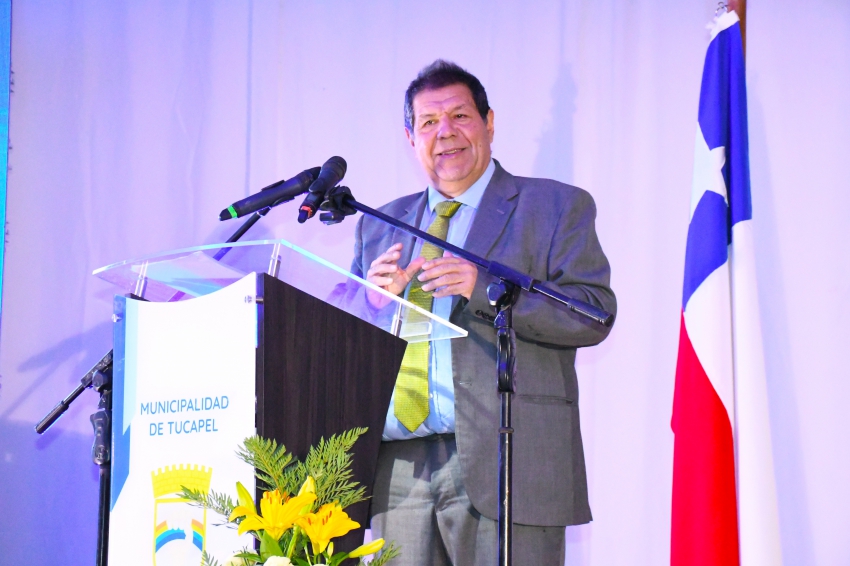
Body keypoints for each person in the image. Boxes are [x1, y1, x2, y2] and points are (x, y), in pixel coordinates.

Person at [349, 59, 616, 565]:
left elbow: (592, 313)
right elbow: (344, 343)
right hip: (396, 467)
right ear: (410, 138)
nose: (445, 133)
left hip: (507, 458)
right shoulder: (379, 225)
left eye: (459, 116)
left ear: (489, 123)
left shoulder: (553, 206)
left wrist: (484, 289)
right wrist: (370, 305)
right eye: (429, 122)